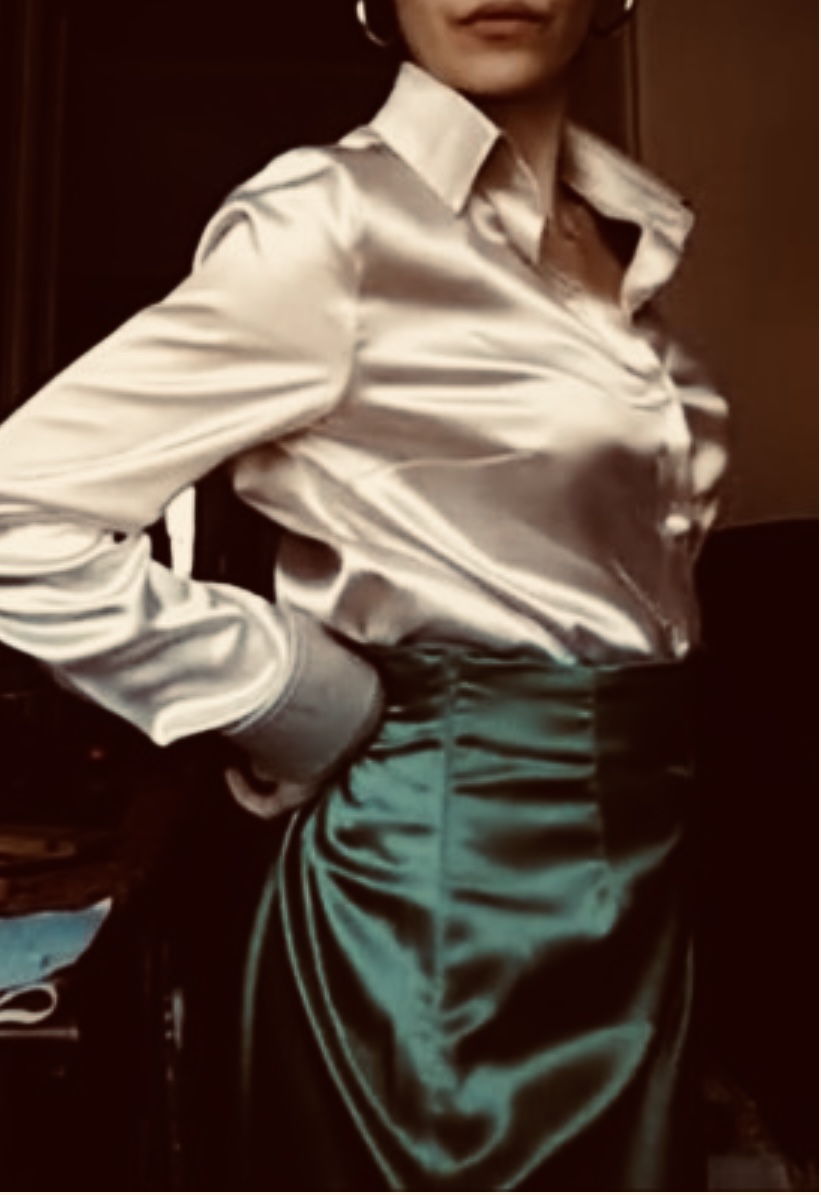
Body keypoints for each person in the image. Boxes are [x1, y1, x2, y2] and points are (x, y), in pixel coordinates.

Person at [0, 0, 728, 1188]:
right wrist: (291, 689)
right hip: (427, 885)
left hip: (640, 882)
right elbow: (14, 514)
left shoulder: (629, 235)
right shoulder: (328, 219)